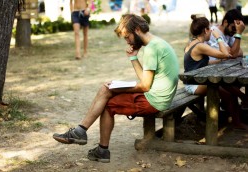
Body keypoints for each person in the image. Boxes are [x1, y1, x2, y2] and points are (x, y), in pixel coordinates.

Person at [53, 14, 179, 163]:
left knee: (107, 101)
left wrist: (118, 89)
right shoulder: (157, 43)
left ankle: (91, 141)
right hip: (159, 96)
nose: (127, 41)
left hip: (155, 100)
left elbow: (145, 86)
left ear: (137, 30)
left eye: (127, 37)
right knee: (107, 90)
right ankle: (84, 135)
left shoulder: (152, 49)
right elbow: (144, 80)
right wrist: (133, 57)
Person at [184, 15, 248, 130]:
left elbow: (199, 64)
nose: (212, 32)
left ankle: (237, 117)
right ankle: (243, 102)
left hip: (196, 80)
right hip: (193, 85)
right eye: (210, 29)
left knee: (226, 90)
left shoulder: (193, 43)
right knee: (219, 83)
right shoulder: (200, 46)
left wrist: (218, 61)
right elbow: (225, 54)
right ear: (205, 30)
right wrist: (218, 37)